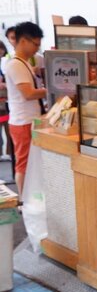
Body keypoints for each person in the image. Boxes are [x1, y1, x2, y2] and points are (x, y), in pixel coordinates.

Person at [5, 22, 47, 196]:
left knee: (31, 162)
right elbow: (28, 94)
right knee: (23, 163)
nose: (36, 49)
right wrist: (51, 90)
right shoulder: (15, 64)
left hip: (30, 120)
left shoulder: (24, 63)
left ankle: (29, 197)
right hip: (22, 122)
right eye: (35, 44)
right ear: (23, 41)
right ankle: (23, 199)